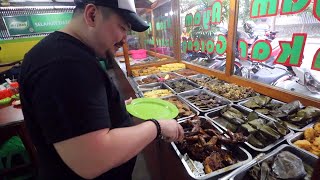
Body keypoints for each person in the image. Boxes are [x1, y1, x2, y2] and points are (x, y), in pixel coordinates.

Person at [19, 0, 184, 179]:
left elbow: (76, 120)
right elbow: (92, 159)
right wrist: (157, 127)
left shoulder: (63, 52)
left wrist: (114, 108)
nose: (124, 39)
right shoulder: (65, 64)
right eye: (122, 27)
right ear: (92, 15)